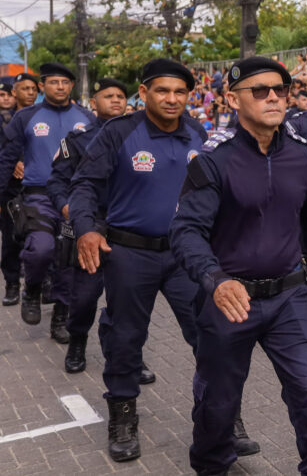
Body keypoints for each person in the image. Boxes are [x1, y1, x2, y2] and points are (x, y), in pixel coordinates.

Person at [70, 59, 258, 462]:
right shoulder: (118, 132)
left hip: (186, 255)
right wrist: (86, 228)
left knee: (213, 336)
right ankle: (122, 417)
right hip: (128, 254)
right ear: (144, 92)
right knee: (125, 339)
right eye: (162, 91)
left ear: (189, 95)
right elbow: (85, 184)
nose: (172, 99)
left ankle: (223, 418)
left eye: (179, 92)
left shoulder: (198, 132)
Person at [170, 57, 307, 476]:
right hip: (230, 300)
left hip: (291, 297)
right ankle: (213, 465)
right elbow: (186, 231)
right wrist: (215, 280)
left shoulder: (306, 160)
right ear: (232, 98)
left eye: (280, 90)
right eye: (260, 90)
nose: (273, 97)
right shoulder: (213, 160)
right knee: (218, 401)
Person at [45, 78, 145, 377]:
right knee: (86, 296)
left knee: (130, 301)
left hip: (130, 228)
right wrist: (70, 208)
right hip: (92, 224)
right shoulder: (77, 140)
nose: (115, 100)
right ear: (94, 103)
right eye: (108, 96)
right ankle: (77, 340)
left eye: (119, 95)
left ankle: (129, 355)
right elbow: (57, 182)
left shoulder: (142, 137)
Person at [0, 63, 95, 336]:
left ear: (72, 86)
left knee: (67, 259)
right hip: (37, 197)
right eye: (54, 82)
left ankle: (61, 317)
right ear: (43, 86)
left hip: (75, 198)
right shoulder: (26, 117)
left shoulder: (86, 117)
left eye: (65, 82)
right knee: (40, 249)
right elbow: (7, 158)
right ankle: (31, 288)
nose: (60, 87)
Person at [0, 72, 38, 306]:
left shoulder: (45, 115)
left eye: (34, 88)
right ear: (15, 92)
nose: (30, 93)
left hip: (39, 187)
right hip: (11, 188)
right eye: (25, 89)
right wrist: (13, 161)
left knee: (40, 237)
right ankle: (12, 283)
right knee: (11, 237)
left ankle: (38, 283)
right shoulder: (5, 119)